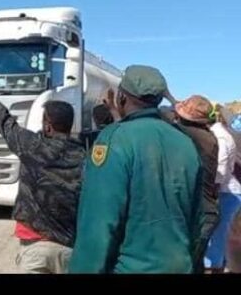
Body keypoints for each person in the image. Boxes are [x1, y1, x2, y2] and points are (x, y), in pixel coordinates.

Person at [69, 65, 203, 274]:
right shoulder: (185, 143)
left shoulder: (114, 140)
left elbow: (98, 223)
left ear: (121, 97)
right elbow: (197, 221)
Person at [0, 64, 85, 274]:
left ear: (47, 125)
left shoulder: (31, 145)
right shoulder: (83, 156)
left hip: (34, 247)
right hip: (71, 249)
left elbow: (0, 117)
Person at [161, 95, 220, 274]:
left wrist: (168, 97)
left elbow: (164, 114)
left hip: (203, 214)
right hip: (205, 212)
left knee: (187, 265)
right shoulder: (204, 136)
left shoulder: (201, 137)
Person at [205, 104, 240, 273]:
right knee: (224, 233)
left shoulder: (220, 136)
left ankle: (215, 265)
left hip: (227, 190)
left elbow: (222, 167)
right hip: (231, 188)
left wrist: (214, 189)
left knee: (219, 233)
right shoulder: (227, 134)